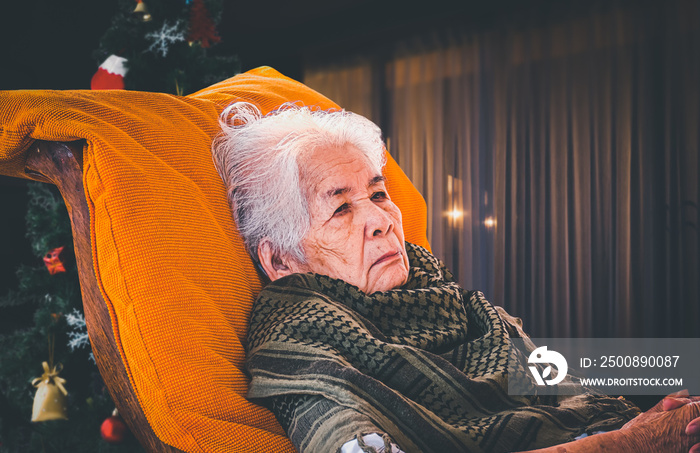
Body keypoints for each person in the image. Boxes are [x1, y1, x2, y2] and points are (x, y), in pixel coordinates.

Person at [212, 102, 700, 453]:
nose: (381, 220)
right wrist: (626, 446)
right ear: (281, 262)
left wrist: (647, 424)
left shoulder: (441, 293)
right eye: (340, 207)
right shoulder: (301, 342)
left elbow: (566, 397)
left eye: (378, 195)